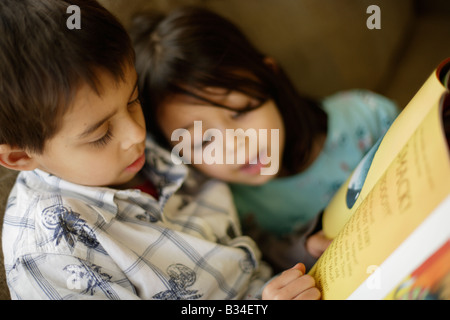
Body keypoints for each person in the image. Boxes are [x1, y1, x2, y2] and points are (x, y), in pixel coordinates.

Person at [0, 0, 320, 300]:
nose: (137, 133)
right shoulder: (51, 256)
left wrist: (299, 254)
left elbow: (235, 244)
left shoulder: (154, 146)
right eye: (100, 134)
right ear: (21, 157)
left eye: (132, 100)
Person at [130, 7, 399, 272]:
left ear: (270, 77)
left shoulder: (368, 116)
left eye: (241, 111)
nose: (235, 146)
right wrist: (305, 251)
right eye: (202, 142)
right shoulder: (227, 211)